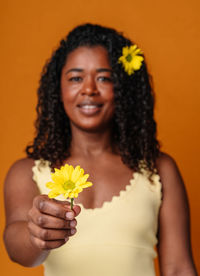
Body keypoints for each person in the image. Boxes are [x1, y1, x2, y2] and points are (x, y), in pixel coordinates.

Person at [3, 23, 198, 276]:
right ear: (57, 89)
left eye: (104, 78)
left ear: (123, 89)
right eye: (75, 78)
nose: (89, 89)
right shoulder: (26, 172)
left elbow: (178, 268)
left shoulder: (158, 169)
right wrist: (37, 235)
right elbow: (17, 248)